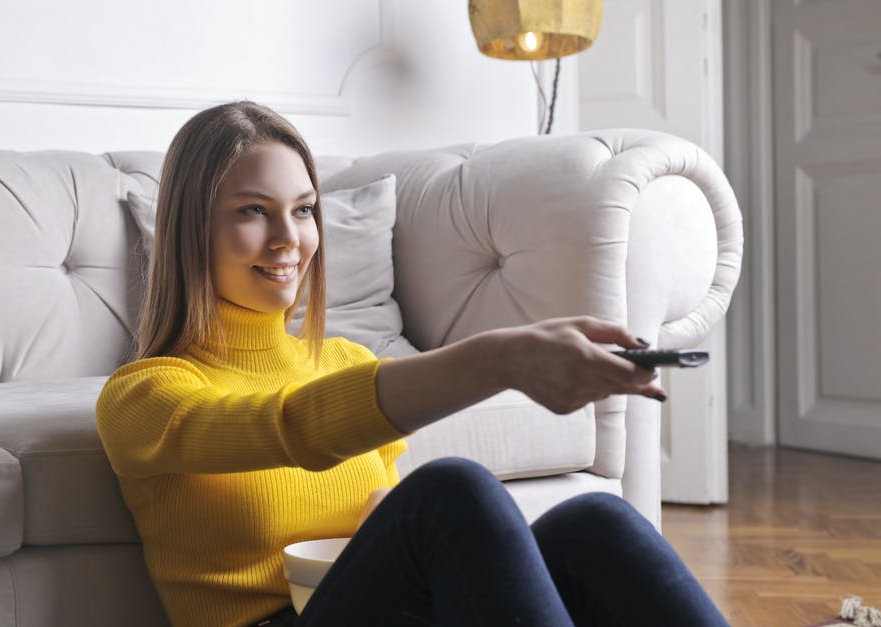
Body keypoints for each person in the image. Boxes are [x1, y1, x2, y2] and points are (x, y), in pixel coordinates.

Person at [95, 101, 728, 627]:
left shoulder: (345, 361)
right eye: (253, 211)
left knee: (598, 523)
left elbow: (383, 531)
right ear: (190, 229)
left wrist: (383, 521)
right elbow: (293, 427)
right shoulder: (145, 397)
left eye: (305, 209)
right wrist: (501, 356)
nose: (289, 238)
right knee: (450, 490)